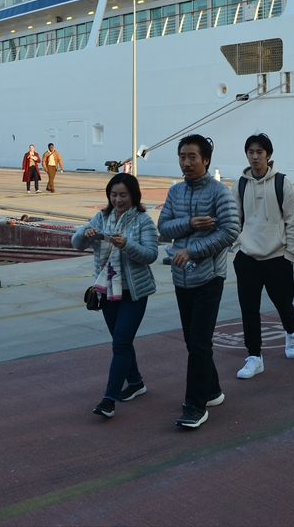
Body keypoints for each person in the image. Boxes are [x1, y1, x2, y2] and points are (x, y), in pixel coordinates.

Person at [157, 134, 239, 429]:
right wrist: (189, 223)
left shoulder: (220, 193)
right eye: (182, 157)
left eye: (192, 157)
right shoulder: (175, 191)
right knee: (193, 341)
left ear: (206, 160)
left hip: (209, 278)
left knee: (200, 341)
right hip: (181, 278)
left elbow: (230, 231)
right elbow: (163, 228)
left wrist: (192, 250)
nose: (186, 162)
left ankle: (195, 405)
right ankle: (212, 390)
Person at [72, 173, 159, 419]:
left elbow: (151, 255)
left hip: (135, 292)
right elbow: (76, 243)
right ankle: (136, 382)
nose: (118, 200)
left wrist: (126, 245)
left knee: (120, 343)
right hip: (108, 291)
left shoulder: (143, 221)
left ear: (134, 196)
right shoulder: (102, 217)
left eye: (123, 195)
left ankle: (109, 400)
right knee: (123, 342)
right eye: (114, 195)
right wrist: (85, 233)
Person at [233, 133, 294, 381]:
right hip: (248, 258)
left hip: (277, 257)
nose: (255, 156)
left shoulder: (282, 183)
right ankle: (254, 356)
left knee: (284, 304)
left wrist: (289, 255)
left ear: (268, 155)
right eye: (251, 152)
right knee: (249, 309)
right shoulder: (240, 185)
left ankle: (291, 333)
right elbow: (234, 221)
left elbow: (293, 222)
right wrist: (238, 247)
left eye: (259, 152)